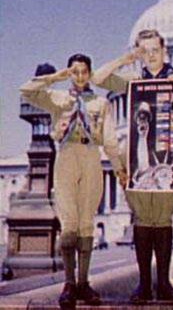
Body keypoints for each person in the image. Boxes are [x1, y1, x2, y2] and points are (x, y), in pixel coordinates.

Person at [20, 54, 127, 309]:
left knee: (86, 223)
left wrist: (119, 169)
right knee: (69, 223)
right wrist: (56, 77)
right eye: (74, 72)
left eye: (83, 72)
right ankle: (69, 284)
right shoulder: (58, 99)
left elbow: (110, 140)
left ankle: (83, 283)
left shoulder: (101, 102)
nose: (79, 77)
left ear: (90, 74)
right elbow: (26, 90)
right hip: (66, 156)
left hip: (90, 155)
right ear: (70, 73)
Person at [92, 30, 173, 302]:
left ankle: (163, 283)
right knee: (143, 221)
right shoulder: (133, 80)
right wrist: (126, 59)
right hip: (137, 161)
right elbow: (97, 78)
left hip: (167, 160)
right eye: (145, 51)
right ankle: (144, 284)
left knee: (163, 220)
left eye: (155, 49)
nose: (151, 55)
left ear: (165, 50)